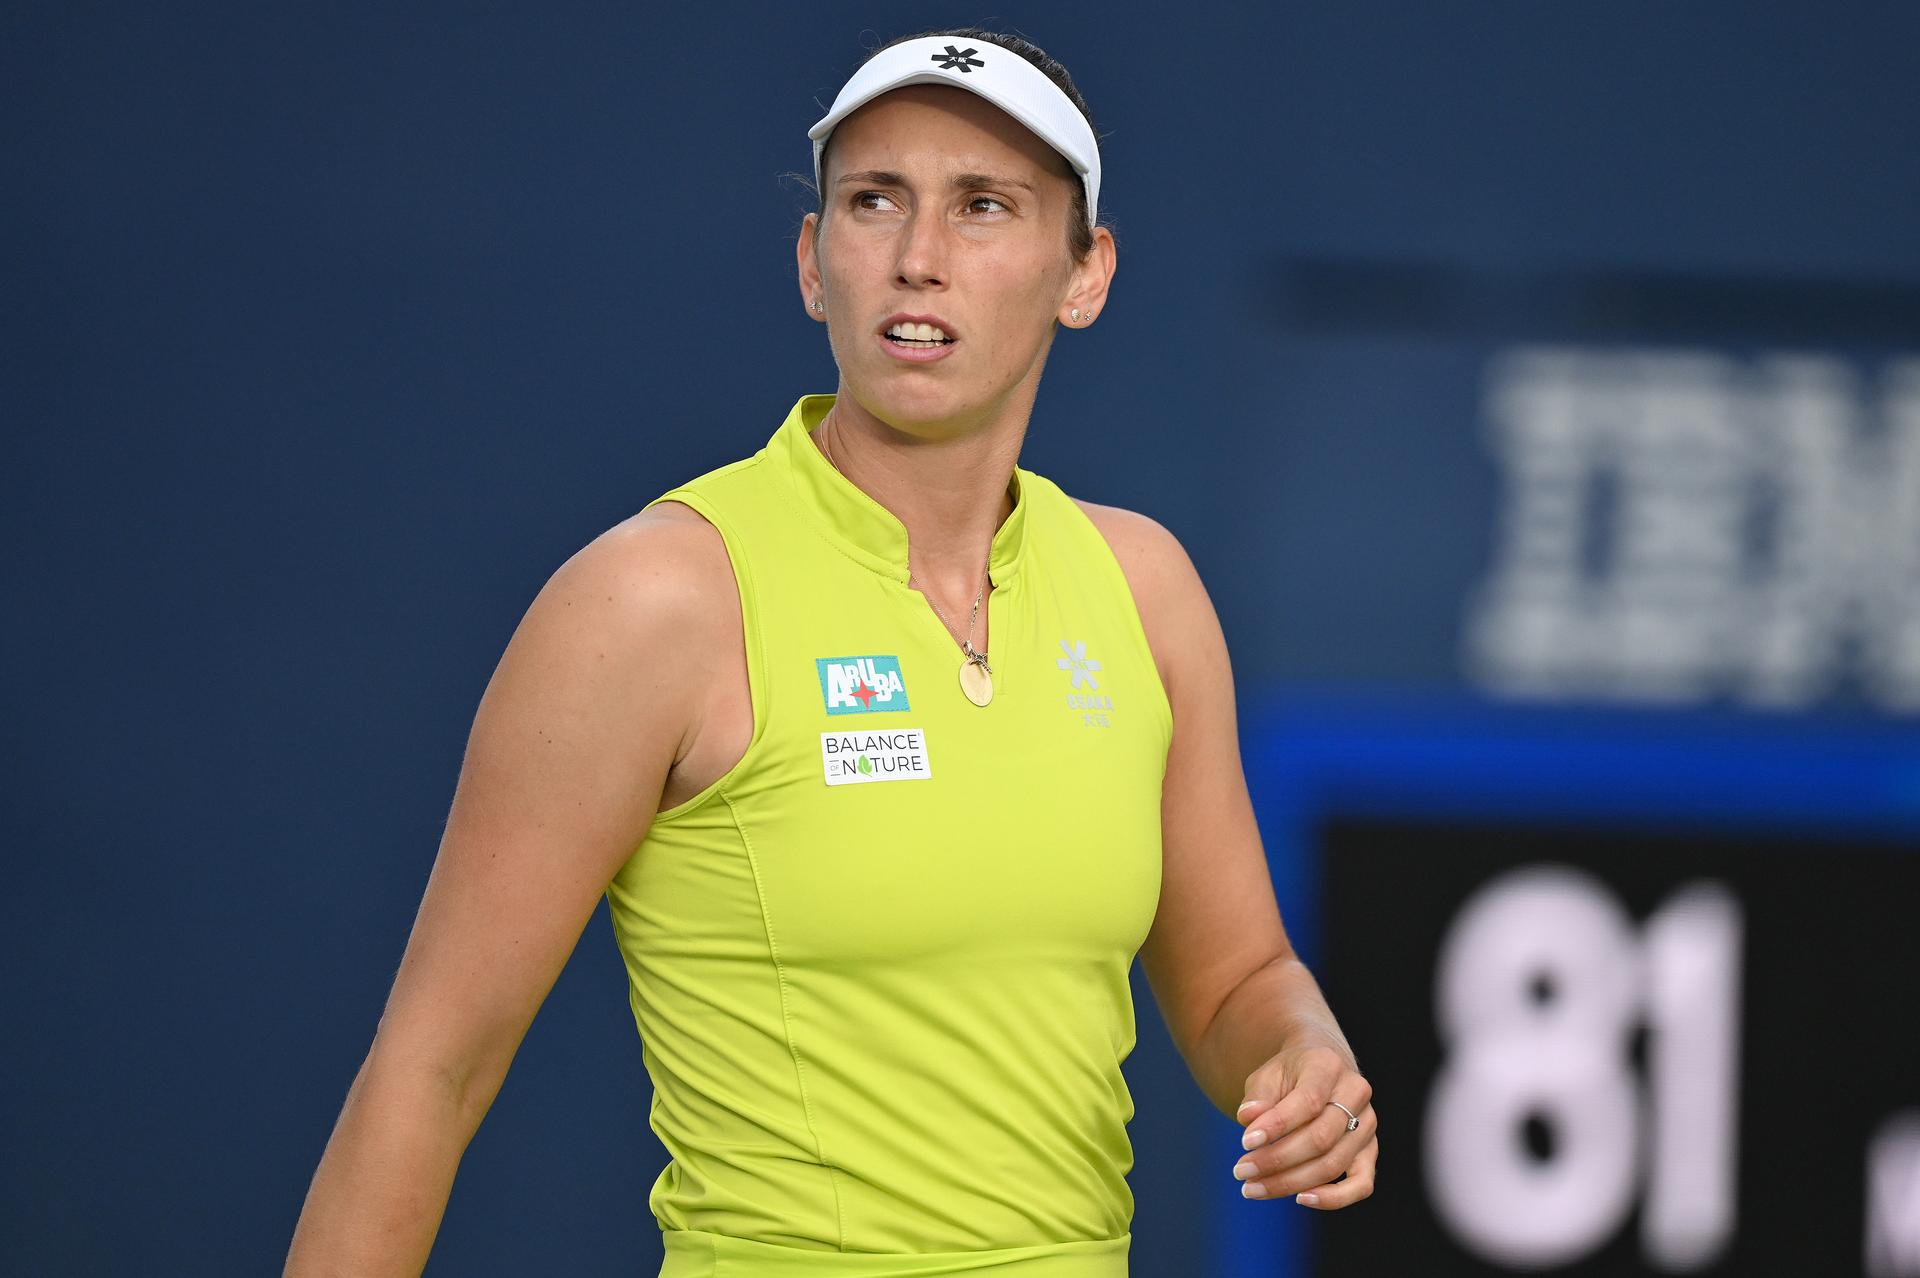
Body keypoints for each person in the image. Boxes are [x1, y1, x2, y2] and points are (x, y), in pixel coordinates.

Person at [284, 26, 1375, 1278]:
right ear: (814, 263)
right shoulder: (655, 599)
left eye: (983, 207)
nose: (918, 260)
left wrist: (1303, 1057)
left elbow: (1239, 976)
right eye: (874, 202)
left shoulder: (1143, 588)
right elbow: (434, 1068)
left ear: (1087, 274)